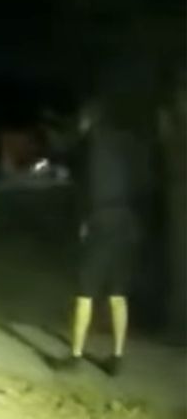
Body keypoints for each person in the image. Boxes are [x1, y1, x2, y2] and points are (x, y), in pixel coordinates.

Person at [58, 99, 143, 377]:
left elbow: (83, 186)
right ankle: (117, 357)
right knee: (118, 294)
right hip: (127, 223)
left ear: (87, 120)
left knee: (85, 293)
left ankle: (75, 356)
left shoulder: (88, 145)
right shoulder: (127, 144)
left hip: (101, 223)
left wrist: (84, 220)